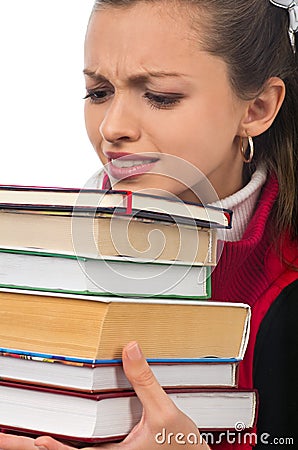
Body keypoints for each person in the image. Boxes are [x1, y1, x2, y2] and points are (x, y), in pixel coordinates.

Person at [0, 0, 298, 449]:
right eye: (98, 92)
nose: (112, 128)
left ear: (256, 108)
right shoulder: (32, 254)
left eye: (160, 96)